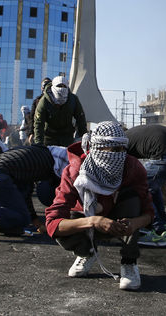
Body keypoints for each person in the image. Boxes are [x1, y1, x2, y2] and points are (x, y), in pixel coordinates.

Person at [45, 121, 154, 291]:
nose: (118, 156)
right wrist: (94, 221)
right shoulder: (75, 171)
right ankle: (87, 252)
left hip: (119, 221)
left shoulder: (132, 167)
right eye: (112, 150)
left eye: (121, 150)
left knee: (133, 200)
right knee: (67, 222)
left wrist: (135, 224)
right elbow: (52, 224)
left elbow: (149, 212)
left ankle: (129, 262)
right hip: (87, 222)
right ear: (96, 149)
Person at [0, 144, 69, 238]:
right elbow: (26, 194)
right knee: (23, 219)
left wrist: (35, 219)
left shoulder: (34, 153)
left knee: (17, 221)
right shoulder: (45, 163)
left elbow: (23, 194)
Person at [125, 125, 166, 248]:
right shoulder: (134, 133)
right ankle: (164, 220)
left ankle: (159, 232)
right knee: (152, 187)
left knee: (141, 185)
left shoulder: (121, 142)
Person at [33, 75, 87, 147]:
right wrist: (38, 143)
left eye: (64, 86)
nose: (62, 88)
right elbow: (38, 124)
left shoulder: (73, 100)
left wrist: (83, 136)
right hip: (49, 138)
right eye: (59, 86)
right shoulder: (44, 102)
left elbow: (81, 118)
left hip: (67, 137)